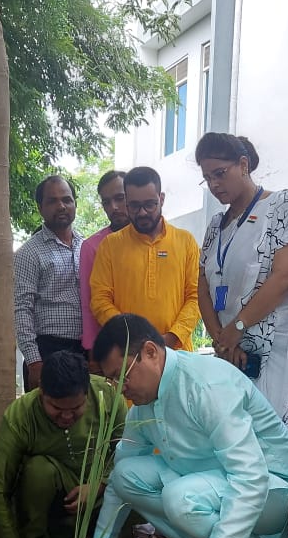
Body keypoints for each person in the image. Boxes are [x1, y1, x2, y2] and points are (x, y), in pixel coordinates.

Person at [85, 314, 288, 538]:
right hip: (214, 483)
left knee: (181, 498)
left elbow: (250, 477)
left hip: (277, 492)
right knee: (124, 475)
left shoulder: (206, 385)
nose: (120, 388)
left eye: (123, 376)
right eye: (112, 380)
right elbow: (118, 482)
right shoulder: (144, 405)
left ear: (150, 352)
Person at [196, 132, 288, 436]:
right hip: (230, 352)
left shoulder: (281, 206)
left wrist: (238, 328)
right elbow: (202, 286)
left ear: (243, 165)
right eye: (207, 178)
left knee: (274, 437)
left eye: (220, 173)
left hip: (272, 350)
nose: (214, 184)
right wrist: (221, 340)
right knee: (236, 439)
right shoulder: (215, 226)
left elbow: (285, 275)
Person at [0, 351, 127, 538]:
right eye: (56, 408)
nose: (67, 417)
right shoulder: (21, 415)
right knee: (38, 469)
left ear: (87, 391)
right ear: (41, 391)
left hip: (106, 495)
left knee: (140, 480)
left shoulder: (108, 395)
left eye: (76, 408)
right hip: (57, 504)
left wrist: (100, 484)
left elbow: (128, 451)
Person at [90, 166, 200, 352]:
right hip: (129, 354)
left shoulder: (185, 241)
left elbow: (196, 297)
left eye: (149, 204)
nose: (142, 213)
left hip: (178, 352)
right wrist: (132, 338)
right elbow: (100, 300)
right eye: (134, 206)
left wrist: (173, 336)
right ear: (127, 203)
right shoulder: (110, 245)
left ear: (161, 199)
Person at [14, 175, 84, 391]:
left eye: (67, 199)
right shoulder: (29, 253)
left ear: (75, 203)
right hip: (47, 351)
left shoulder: (86, 246)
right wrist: (34, 362)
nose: (61, 206)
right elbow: (21, 309)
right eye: (52, 201)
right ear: (40, 208)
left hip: (84, 352)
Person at [78, 169, 129, 357]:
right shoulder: (92, 246)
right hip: (112, 349)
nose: (114, 207)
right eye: (107, 202)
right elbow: (89, 303)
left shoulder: (155, 239)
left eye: (120, 198)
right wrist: (93, 350)